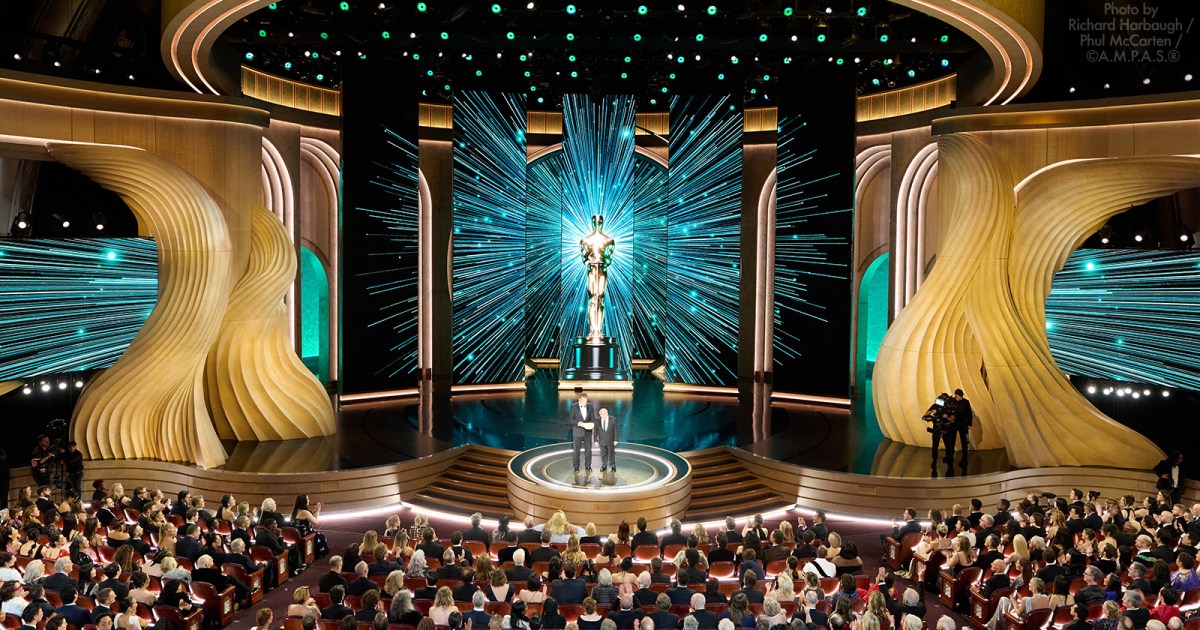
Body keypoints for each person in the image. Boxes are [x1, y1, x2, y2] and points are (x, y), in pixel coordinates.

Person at [570, 392, 597, 473]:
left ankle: (588, 465)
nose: (585, 402)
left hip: (587, 431)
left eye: (586, 401)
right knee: (576, 450)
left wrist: (592, 424)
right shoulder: (574, 406)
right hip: (577, 431)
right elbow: (570, 419)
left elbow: (592, 418)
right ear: (579, 399)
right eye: (583, 401)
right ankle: (576, 467)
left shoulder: (590, 405)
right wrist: (578, 423)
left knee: (588, 450)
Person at [951, 389, 973, 466]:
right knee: (952, 440)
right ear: (956, 395)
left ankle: (964, 459)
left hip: (963, 423)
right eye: (960, 396)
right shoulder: (951, 401)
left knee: (964, 441)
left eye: (962, 395)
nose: (961, 397)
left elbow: (969, 413)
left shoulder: (966, 402)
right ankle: (950, 457)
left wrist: (969, 424)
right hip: (953, 423)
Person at [594, 408, 617, 473]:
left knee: (611, 454)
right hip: (601, 440)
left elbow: (615, 430)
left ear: (607, 413)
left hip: (610, 440)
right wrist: (595, 440)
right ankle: (604, 465)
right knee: (603, 454)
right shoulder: (597, 420)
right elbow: (595, 431)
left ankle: (613, 466)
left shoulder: (613, 419)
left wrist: (616, 439)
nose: (603, 415)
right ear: (600, 415)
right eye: (602, 414)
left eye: (605, 413)